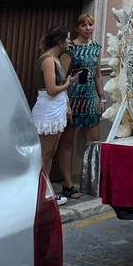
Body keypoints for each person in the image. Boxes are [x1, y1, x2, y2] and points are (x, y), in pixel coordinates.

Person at [57, 13, 105, 200]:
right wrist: (66, 101)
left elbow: (98, 74)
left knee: (93, 143)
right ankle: (68, 184)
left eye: (91, 24)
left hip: (91, 98)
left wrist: (102, 97)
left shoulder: (95, 48)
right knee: (67, 142)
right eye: (84, 25)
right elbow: (62, 76)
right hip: (73, 98)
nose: (88, 28)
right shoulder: (71, 49)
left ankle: (93, 183)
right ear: (77, 28)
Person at [30, 27, 78, 206]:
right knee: (45, 153)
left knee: (50, 153)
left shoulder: (56, 60)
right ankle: (38, 193)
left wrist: (66, 103)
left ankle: (45, 191)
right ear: (60, 42)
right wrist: (68, 83)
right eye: (67, 39)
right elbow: (51, 89)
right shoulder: (48, 60)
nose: (69, 42)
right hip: (48, 109)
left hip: (55, 108)